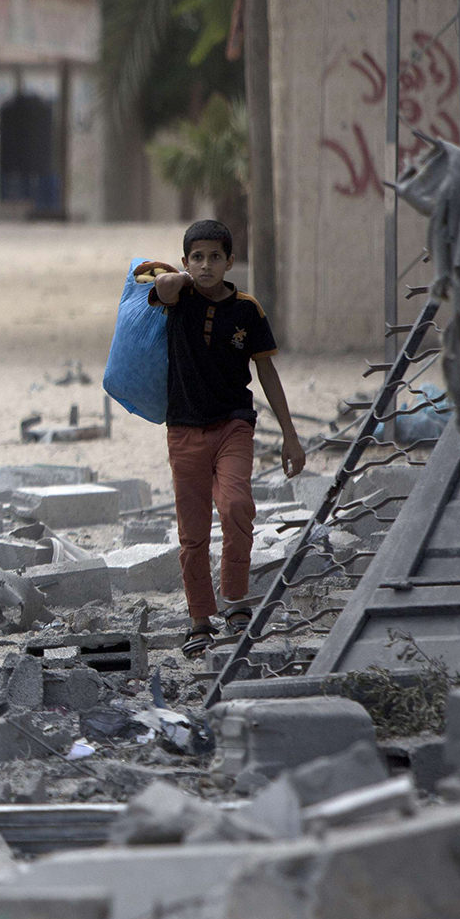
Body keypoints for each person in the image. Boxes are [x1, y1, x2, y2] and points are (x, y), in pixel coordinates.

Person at [150, 220, 306, 658]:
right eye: (196, 257)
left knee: (236, 505)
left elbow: (267, 373)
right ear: (185, 262)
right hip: (183, 429)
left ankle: (236, 601)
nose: (206, 265)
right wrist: (183, 277)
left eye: (215, 257)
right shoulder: (176, 298)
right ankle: (200, 618)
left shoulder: (247, 309)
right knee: (193, 533)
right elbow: (160, 288)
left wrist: (290, 436)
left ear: (230, 261)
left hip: (233, 426)